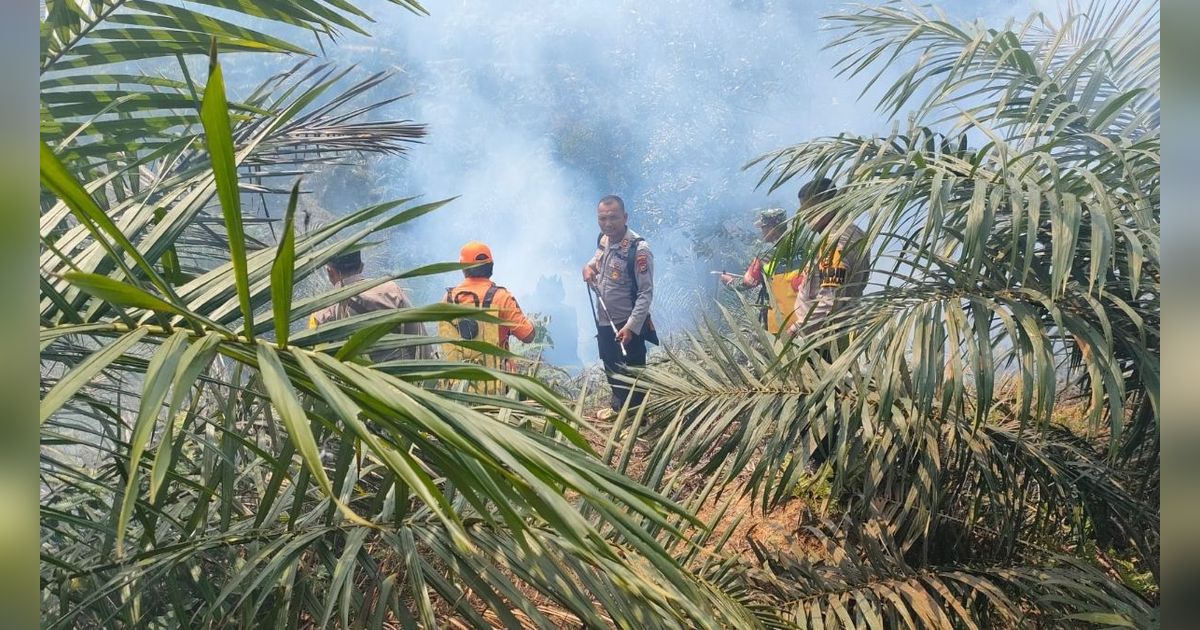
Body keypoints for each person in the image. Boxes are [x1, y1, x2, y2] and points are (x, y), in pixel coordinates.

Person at [582, 195, 657, 415]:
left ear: (625, 217)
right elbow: (596, 261)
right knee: (611, 367)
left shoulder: (638, 250)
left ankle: (637, 421)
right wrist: (587, 268)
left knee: (633, 376)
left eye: (613, 218)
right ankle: (619, 411)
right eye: (602, 218)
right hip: (605, 321)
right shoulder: (604, 240)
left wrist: (632, 327)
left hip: (627, 325)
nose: (607, 224)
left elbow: (645, 293)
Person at [307, 250, 435, 361]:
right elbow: (418, 339)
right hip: (404, 380)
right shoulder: (390, 290)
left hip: (356, 385)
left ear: (330, 272)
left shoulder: (320, 314)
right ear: (361, 267)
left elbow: (320, 361)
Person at [786, 178, 871, 341]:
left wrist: (798, 329)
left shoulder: (835, 241)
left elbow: (830, 301)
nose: (805, 218)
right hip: (839, 329)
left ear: (825, 205)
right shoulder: (851, 232)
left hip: (825, 337)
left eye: (809, 210)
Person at [441, 240, 536, 357]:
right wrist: (531, 321)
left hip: (458, 373)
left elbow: (444, 339)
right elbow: (527, 336)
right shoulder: (501, 298)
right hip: (497, 374)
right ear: (491, 266)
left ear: (463, 268)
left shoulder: (449, 299)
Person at [720, 207, 806, 333]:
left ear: (772, 229)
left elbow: (749, 282)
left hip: (779, 325)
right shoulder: (804, 246)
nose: (762, 231)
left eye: (763, 227)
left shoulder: (766, 255)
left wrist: (729, 281)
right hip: (806, 320)